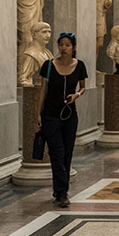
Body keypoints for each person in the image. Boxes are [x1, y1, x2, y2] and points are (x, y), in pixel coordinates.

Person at [37, 32, 88, 208]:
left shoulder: (79, 65)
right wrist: (38, 114)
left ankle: (60, 189)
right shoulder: (48, 65)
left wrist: (76, 95)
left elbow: (83, 87)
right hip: (50, 115)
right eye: (61, 45)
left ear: (73, 47)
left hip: (70, 116)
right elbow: (42, 91)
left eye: (67, 45)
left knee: (67, 153)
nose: (63, 48)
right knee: (57, 153)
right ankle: (61, 192)